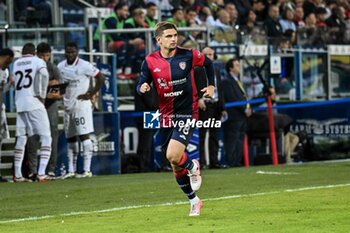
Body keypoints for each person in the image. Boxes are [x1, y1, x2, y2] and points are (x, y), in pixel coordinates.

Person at [137, 22, 215, 216]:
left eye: (175, 35)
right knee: (173, 162)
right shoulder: (149, 61)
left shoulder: (188, 55)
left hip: (187, 112)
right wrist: (142, 88)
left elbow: (208, 64)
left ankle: (193, 165)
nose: (174, 39)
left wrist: (211, 85)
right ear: (159, 40)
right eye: (169, 36)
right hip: (165, 115)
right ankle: (194, 201)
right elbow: (141, 82)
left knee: (173, 155)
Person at [57, 42, 104, 179]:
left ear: (77, 52)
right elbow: (61, 86)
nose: (70, 54)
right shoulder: (60, 67)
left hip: (81, 105)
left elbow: (101, 77)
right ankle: (71, 171)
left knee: (84, 135)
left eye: (72, 52)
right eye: (68, 52)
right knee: (70, 138)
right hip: (67, 106)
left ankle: (86, 170)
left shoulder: (84, 65)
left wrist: (91, 93)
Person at [12, 43, 51, 182]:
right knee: (46, 137)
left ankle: (17, 174)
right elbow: (44, 74)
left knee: (22, 138)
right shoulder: (38, 61)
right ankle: (41, 173)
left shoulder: (16, 63)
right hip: (34, 102)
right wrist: (42, 94)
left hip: (20, 103)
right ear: (34, 52)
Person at [26, 42, 63, 180]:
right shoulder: (32, 67)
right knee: (33, 136)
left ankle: (51, 169)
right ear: (36, 54)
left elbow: (60, 92)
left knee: (53, 134)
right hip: (35, 105)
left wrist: (45, 93)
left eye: (47, 55)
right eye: (42, 55)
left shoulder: (53, 68)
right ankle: (33, 170)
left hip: (49, 105)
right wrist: (49, 86)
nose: (44, 58)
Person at [195, 47, 227, 169]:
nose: (208, 56)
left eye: (210, 54)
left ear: (214, 56)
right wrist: (198, 98)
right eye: (206, 54)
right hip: (205, 105)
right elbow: (193, 87)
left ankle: (214, 162)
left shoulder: (217, 70)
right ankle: (202, 162)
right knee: (202, 135)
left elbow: (220, 90)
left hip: (216, 105)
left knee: (215, 135)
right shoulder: (197, 70)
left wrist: (223, 107)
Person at [222, 58, 252, 167]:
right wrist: (244, 109)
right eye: (237, 65)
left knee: (239, 140)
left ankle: (237, 162)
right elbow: (232, 98)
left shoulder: (237, 81)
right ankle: (231, 163)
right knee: (232, 141)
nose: (239, 67)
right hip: (234, 117)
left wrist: (248, 108)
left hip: (242, 117)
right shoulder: (226, 81)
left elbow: (242, 97)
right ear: (231, 68)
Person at [0, 48, 14, 182]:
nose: (9, 63)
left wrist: (10, 85)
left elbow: (2, 90)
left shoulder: (5, 71)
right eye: (9, 60)